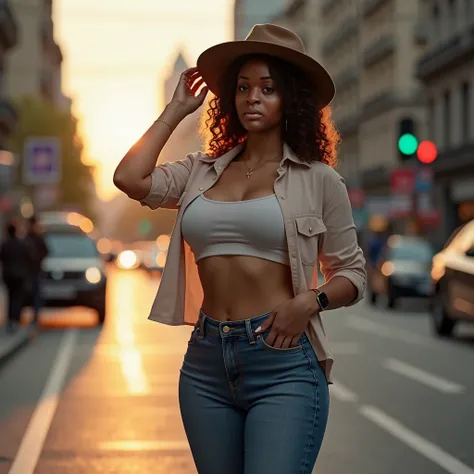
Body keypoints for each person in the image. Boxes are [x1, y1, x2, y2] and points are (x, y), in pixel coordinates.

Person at [114, 24, 366, 474]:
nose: (253, 97)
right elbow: (130, 178)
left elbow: (353, 275)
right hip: (206, 363)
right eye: (244, 87)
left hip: (283, 363)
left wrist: (309, 302)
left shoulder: (319, 180)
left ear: (291, 98)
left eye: (268, 89)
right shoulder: (201, 170)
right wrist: (175, 111)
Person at [0, 221, 33, 332]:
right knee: (18, 298)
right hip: (20, 275)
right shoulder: (22, 245)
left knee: (10, 297)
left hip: (8, 275)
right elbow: (30, 259)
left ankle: (11, 320)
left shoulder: (5, 245)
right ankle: (15, 318)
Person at [25, 215, 49, 325]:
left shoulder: (39, 238)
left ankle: (35, 317)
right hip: (26, 272)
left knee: (36, 294)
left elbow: (46, 252)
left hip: (36, 271)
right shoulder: (26, 238)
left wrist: (37, 258)